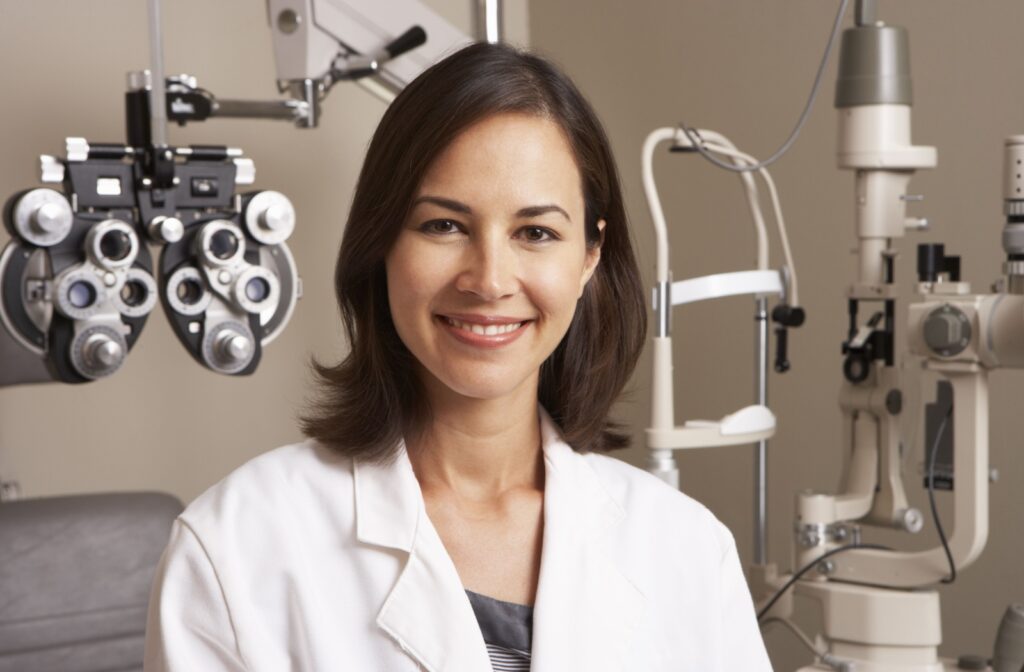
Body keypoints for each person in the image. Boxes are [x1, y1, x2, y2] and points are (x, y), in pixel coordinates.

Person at [143, 42, 772, 671]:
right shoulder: (236, 546)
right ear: (381, 239)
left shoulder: (688, 550)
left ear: (589, 256)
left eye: (536, 233)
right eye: (443, 226)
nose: (489, 280)